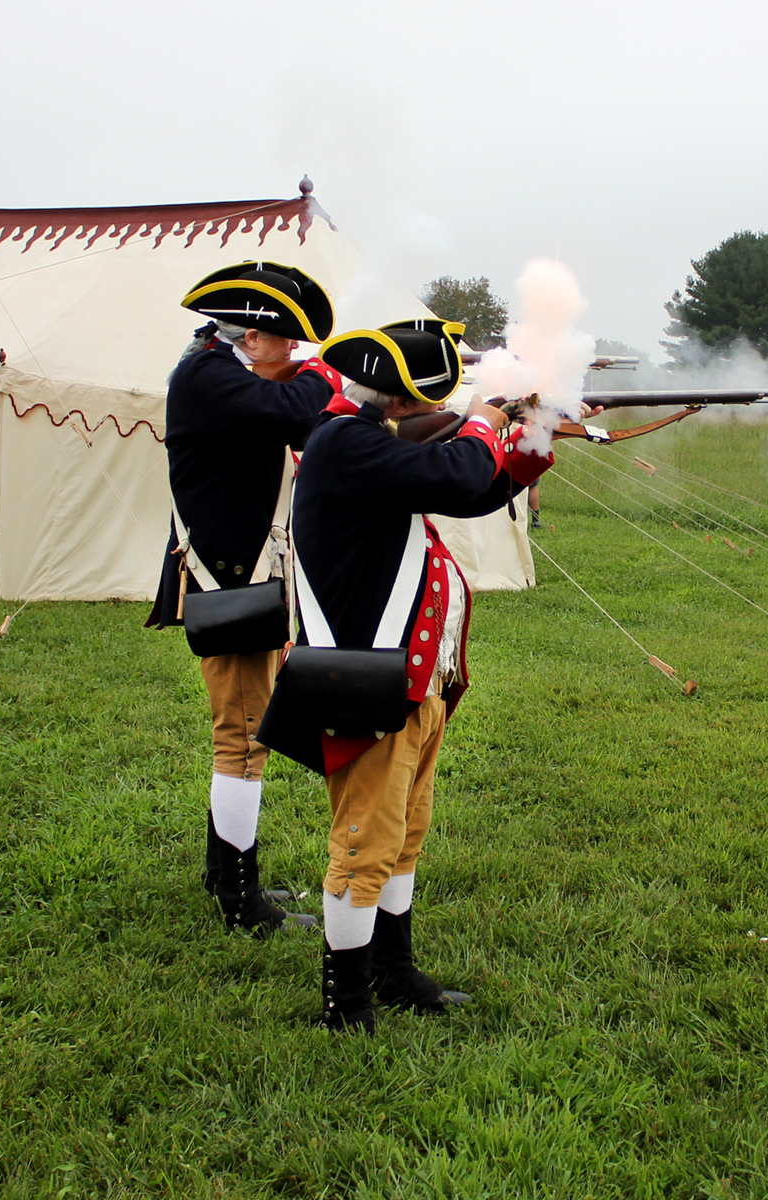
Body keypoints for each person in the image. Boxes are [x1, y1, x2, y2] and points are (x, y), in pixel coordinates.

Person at [260, 319, 559, 1031]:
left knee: (403, 835)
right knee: (364, 846)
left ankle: (393, 972)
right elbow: (459, 473)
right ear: (399, 404)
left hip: (412, 676)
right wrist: (486, 417)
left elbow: (478, 488)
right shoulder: (347, 443)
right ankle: (348, 1003)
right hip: (371, 682)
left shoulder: (364, 437)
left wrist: (534, 430)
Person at [144, 261, 347, 936]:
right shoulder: (207, 376)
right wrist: (329, 371)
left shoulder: (218, 372)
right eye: (286, 341)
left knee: (243, 733)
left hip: (241, 575)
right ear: (252, 339)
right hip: (228, 579)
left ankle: (219, 872)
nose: (292, 352)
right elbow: (295, 409)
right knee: (242, 739)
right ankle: (239, 898)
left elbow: (299, 430)